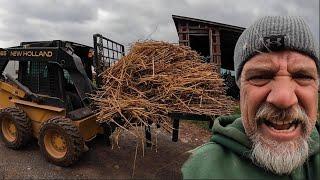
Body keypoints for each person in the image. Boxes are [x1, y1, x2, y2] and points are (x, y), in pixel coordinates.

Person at [181, 16, 320, 179]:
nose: (283, 98)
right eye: (260, 76)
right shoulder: (197, 171)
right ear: (240, 89)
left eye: (302, 76)